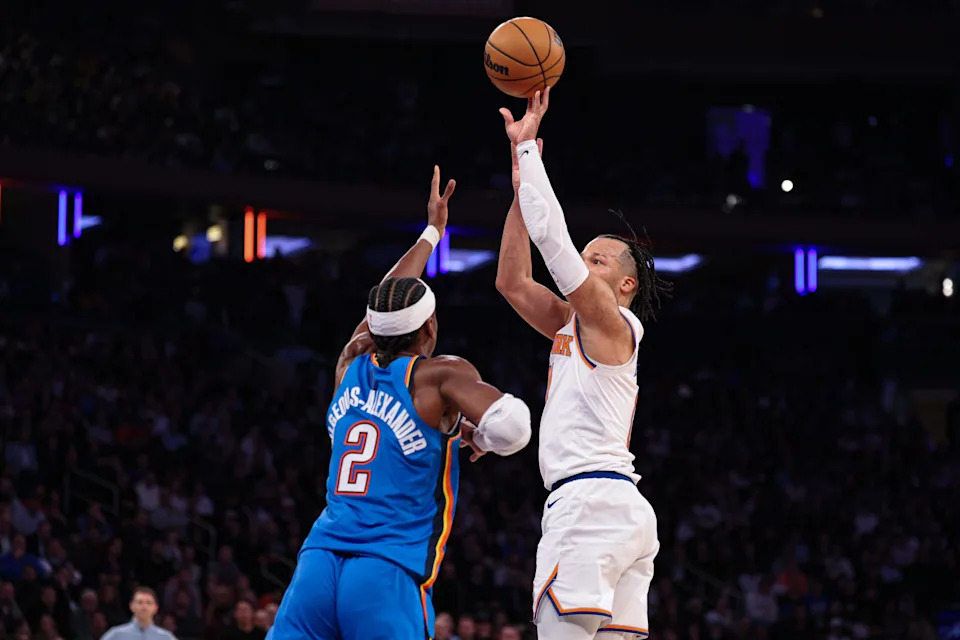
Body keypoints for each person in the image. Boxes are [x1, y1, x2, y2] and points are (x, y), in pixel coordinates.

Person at [268, 167, 532, 640]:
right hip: (385, 570)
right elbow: (514, 428)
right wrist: (479, 436)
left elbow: (384, 304)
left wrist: (431, 232)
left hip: (318, 561)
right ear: (430, 328)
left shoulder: (349, 362)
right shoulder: (439, 375)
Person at [496, 88, 671, 640]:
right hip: (621, 512)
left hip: (589, 505)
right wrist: (521, 193)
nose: (582, 265)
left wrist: (529, 152)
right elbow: (512, 282)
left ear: (625, 284)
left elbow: (553, 241)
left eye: (596, 260)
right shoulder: (574, 324)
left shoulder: (615, 326)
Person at [101, 587, 176, 640]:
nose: (144, 607)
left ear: (155, 608)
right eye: (140, 602)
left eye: (148, 603)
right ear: (132, 606)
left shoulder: (166, 637)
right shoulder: (116, 635)